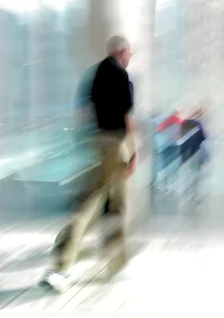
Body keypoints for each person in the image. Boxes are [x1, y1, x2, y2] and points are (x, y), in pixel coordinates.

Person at [42, 36, 137, 292]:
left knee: (116, 204)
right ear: (122, 51)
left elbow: (84, 111)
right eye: (130, 53)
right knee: (93, 205)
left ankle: (116, 264)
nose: (130, 58)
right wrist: (134, 152)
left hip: (97, 143)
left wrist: (88, 142)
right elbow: (127, 118)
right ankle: (61, 266)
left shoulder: (94, 74)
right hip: (114, 146)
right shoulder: (121, 77)